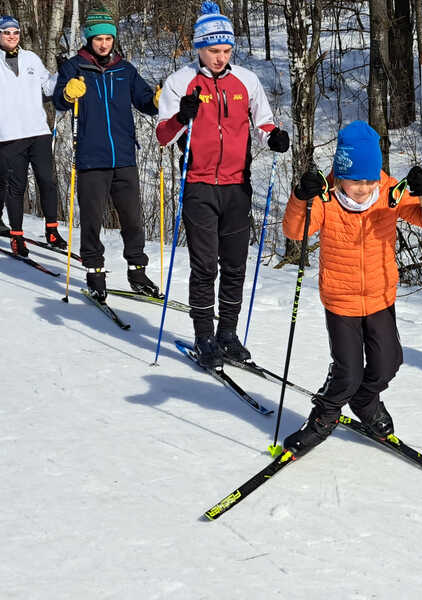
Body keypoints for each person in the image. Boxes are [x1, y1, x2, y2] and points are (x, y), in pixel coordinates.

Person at [281, 120, 422, 456]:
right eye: (356, 180)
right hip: (340, 300)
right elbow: (296, 231)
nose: (364, 187)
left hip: (380, 295)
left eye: (370, 178)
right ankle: (323, 417)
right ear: (341, 174)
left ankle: (366, 400)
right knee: (349, 371)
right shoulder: (325, 198)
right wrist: (301, 197)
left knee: (389, 362)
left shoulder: (389, 194)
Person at [156, 1, 290, 368]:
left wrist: (275, 136)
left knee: (235, 265)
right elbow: (162, 136)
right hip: (198, 184)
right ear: (198, 47)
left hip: (237, 185)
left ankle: (227, 334)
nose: (220, 57)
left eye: (227, 50)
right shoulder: (180, 82)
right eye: (214, 50)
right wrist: (183, 115)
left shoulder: (246, 80)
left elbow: (263, 124)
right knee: (205, 267)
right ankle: (204, 337)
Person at [53, 6, 159, 300]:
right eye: (98, 38)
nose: (103, 44)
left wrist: (158, 99)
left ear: (114, 40)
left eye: (108, 39)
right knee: (91, 218)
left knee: (132, 218)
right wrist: (66, 93)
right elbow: (60, 102)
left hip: (124, 156)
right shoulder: (74, 67)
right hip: (90, 156)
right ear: (89, 39)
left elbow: (146, 102)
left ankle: (137, 271)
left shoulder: (125, 70)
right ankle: (94, 272)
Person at [0, 15, 67, 255]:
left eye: (15, 32)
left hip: (38, 131)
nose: (11, 36)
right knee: (16, 187)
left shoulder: (31, 59)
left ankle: (52, 230)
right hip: (9, 135)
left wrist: (63, 71)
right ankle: (17, 237)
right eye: (6, 32)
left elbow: (48, 87)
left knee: (47, 182)